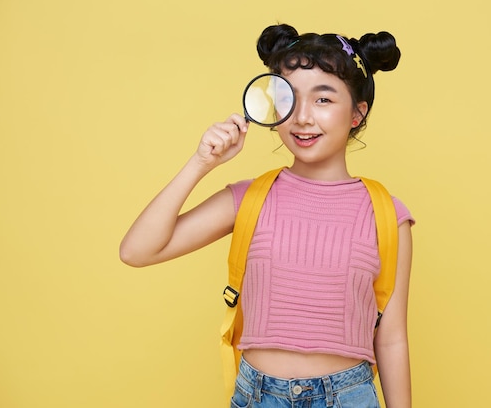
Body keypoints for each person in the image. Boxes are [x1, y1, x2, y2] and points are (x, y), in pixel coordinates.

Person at [120, 23, 414, 408]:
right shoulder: (250, 198)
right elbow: (137, 250)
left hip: (349, 397)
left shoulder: (387, 215)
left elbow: (391, 339)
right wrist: (201, 163)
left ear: (357, 113)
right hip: (258, 396)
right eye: (289, 99)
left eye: (323, 100)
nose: (303, 118)